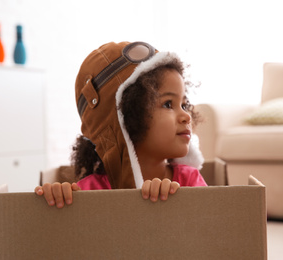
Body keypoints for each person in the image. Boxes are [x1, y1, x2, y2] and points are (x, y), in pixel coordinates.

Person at [35, 41, 207, 208]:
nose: (186, 116)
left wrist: (173, 205)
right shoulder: (89, 192)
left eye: (184, 105)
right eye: (168, 104)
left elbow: (212, 229)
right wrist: (57, 200)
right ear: (127, 117)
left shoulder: (189, 181)